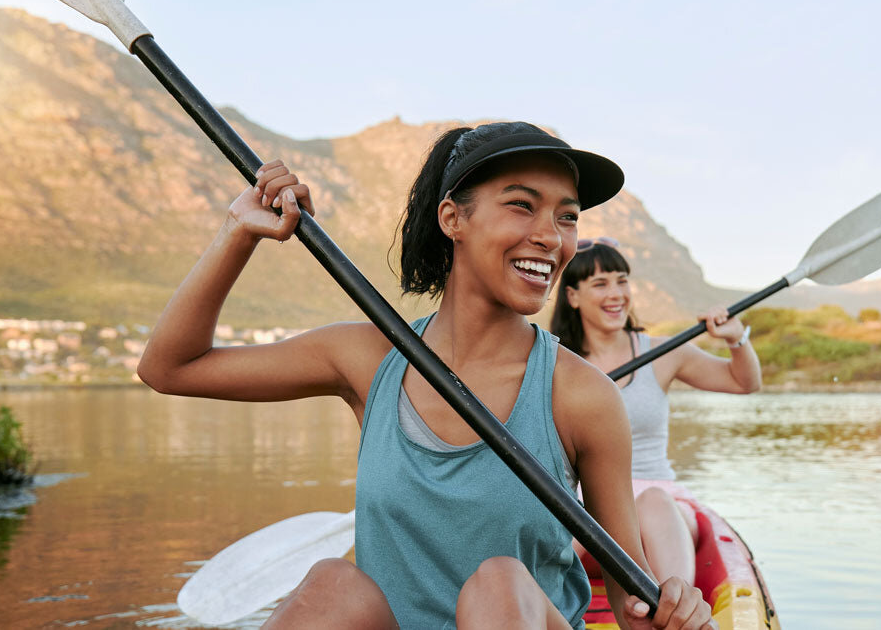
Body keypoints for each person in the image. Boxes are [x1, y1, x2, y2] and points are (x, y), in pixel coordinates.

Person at [137, 122, 715, 630]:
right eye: (522, 205)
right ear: (452, 218)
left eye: (567, 217)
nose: (551, 235)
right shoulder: (366, 358)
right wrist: (239, 231)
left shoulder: (582, 394)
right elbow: (170, 368)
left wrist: (671, 609)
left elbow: (631, 603)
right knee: (332, 585)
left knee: (499, 582)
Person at [550, 239, 762, 586]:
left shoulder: (664, 352)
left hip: (661, 508)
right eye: (600, 284)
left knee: (653, 503)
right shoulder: (555, 364)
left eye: (622, 281)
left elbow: (743, 382)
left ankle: (675, 606)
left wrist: (736, 339)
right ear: (573, 296)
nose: (616, 294)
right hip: (587, 511)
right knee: (568, 515)